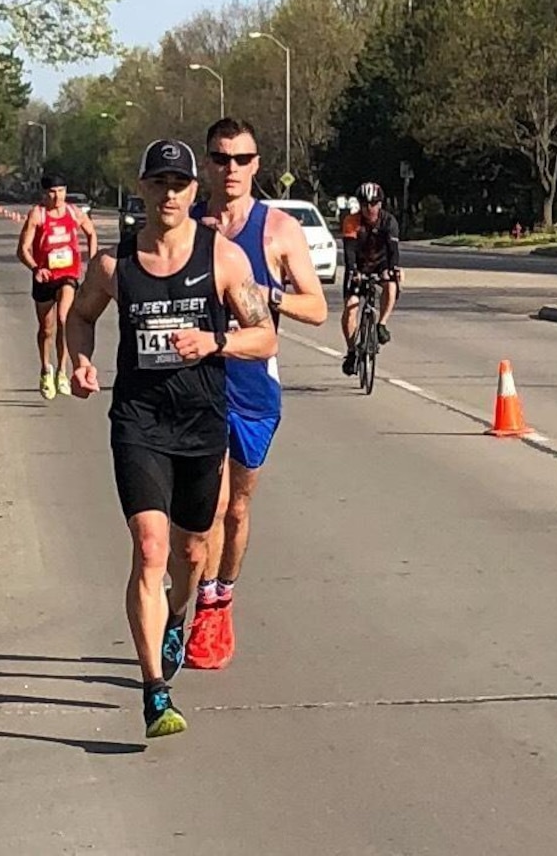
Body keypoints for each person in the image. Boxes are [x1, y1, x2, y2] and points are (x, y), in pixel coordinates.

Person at [65, 139, 278, 740]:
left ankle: (176, 615)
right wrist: (79, 361)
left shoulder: (224, 259)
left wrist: (216, 343)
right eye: (157, 183)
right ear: (142, 188)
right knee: (151, 544)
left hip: (201, 424)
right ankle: (155, 691)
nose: (168, 194)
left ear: (193, 191)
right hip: (139, 422)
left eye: (179, 184)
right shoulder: (115, 265)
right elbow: (81, 316)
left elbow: (264, 339)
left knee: (190, 554)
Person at [183, 119, 327, 670]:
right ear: (208, 164)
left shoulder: (278, 230)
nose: (231, 169)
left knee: (237, 508)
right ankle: (197, 605)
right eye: (221, 159)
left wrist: (271, 295)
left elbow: (316, 308)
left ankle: (220, 597)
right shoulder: (190, 223)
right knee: (208, 507)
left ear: (257, 164)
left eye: (241, 159)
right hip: (197, 387)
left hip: (252, 390)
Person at [17, 173, 98, 400]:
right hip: (44, 276)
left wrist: (92, 263)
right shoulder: (38, 214)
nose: (58, 196)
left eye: (61, 191)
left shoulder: (73, 212)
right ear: (44, 193)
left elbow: (91, 232)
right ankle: (46, 369)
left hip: (68, 275)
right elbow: (22, 250)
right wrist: (35, 268)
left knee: (64, 319)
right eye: (53, 192)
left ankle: (62, 371)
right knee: (46, 329)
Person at [341, 181, 403, 375]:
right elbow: (349, 251)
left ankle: (381, 324)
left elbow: (393, 250)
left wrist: (392, 269)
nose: (370, 208)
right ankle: (352, 352)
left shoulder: (388, 221)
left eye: (374, 203)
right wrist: (353, 271)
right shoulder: (352, 221)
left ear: (380, 204)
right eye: (365, 204)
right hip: (359, 266)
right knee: (351, 308)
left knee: (391, 284)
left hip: (381, 263)